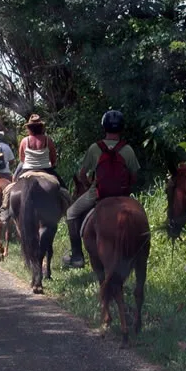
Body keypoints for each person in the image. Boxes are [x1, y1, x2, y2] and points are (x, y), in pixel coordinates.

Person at [62, 110, 140, 268]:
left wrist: (90, 182)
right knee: (139, 217)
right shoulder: (128, 150)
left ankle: (77, 256)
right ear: (121, 128)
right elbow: (134, 177)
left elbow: (82, 174)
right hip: (123, 196)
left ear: (104, 127)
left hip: (98, 194)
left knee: (71, 213)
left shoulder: (94, 148)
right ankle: (139, 256)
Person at [0, 114, 66, 222]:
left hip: (27, 169)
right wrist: (50, 164)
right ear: (41, 127)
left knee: (9, 188)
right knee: (63, 189)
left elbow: (22, 158)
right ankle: (66, 210)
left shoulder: (25, 141)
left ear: (29, 128)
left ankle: (5, 209)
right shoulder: (48, 140)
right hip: (46, 169)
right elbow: (53, 158)